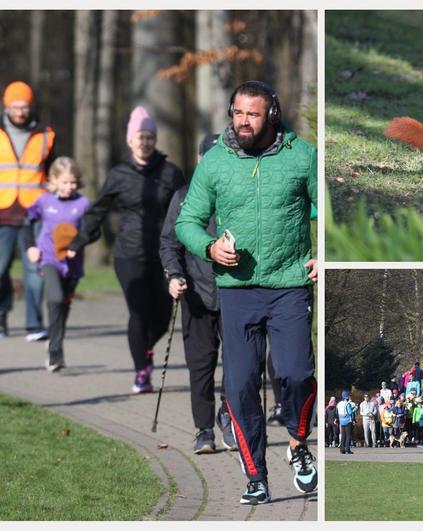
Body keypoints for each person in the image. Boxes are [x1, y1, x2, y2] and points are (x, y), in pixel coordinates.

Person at [175, 80, 317, 505]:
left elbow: (329, 209)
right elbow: (188, 221)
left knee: (296, 373)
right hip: (236, 292)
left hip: (290, 285)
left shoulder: (303, 156)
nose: (243, 121)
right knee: (239, 387)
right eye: (237, 112)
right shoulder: (215, 162)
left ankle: (296, 442)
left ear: (271, 113)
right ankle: (255, 474)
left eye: (252, 114)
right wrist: (209, 246)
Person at [69, 105, 185, 393]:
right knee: (138, 311)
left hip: (162, 253)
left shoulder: (170, 173)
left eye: (149, 136)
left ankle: (143, 349)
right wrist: (78, 241)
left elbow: (188, 209)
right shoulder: (119, 174)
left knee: (162, 314)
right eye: (139, 137)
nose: (144, 142)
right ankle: (141, 372)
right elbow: (98, 211)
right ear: (129, 140)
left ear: (154, 139)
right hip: (128, 253)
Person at [159, 133, 236, 454]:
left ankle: (229, 417)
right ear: (201, 160)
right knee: (200, 366)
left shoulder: (239, 193)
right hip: (197, 296)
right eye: (211, 157)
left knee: (239, 366)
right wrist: (174, 276)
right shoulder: (183, 196)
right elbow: (169, 243)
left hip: (235, 294)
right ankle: (203, 429)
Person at [0, 81, 54, 340]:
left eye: (24, 106)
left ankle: (34, 325)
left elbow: (54, 171)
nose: (20, 111)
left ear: (31, 106)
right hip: (2, 210)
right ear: (6, 106)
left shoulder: (47, 134)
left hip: (35, 211)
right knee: (0, 268)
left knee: (35, 270)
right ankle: (1, 318)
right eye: (15, 107)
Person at [24, 157, 89, 370]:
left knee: (64, 305)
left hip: (73, 264)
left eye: (72, 182)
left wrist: (78, 244)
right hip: (49, 259)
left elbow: (93, 231)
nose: (68, 187)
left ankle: (56, 343)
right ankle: (54, 350)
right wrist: (30, 246)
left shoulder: (84, 204)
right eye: (64, 182)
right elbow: (27, 221)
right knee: (55, 298)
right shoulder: (44, 202)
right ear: (53, 181)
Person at [337, 391, 356, 455]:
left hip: (341, 421)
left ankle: (342, 449)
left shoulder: (339, 403)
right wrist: (355, 408)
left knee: (343, 435)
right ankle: (347, 449)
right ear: (347, 397)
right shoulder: (347, 404)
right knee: (348, 436)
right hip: (347, 421)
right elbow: (350, 412)